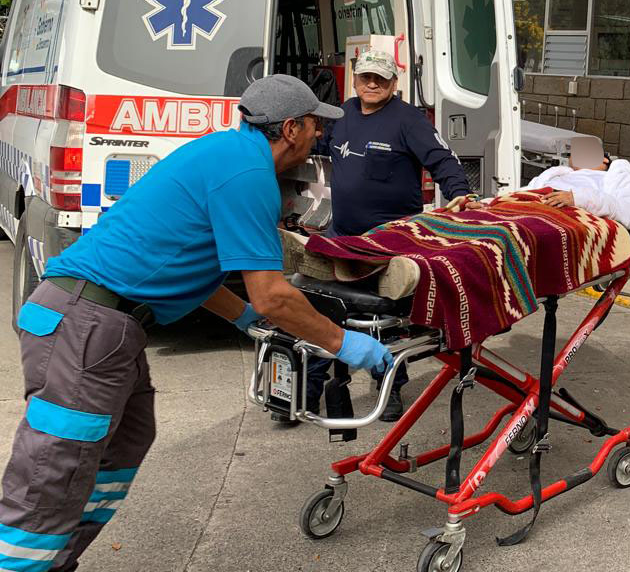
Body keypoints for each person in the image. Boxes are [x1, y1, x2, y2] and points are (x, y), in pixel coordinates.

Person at [0, 75, 392, 572]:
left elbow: (189, 264)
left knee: (125, 442)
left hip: (92, 324)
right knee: (52, 473)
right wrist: (345, 344)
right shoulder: (248, 173)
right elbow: (273, 295)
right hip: (86, 325)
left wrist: (243, 319)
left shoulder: (226, 154)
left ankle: (55, 561)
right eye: (316, 125)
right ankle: (22, 564)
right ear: (291, 128)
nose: (320, 135)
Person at [307, 49, 476, 422]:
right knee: (324, 308)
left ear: (394, 84)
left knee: (379, 319)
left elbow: (442, 158)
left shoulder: (408, 119)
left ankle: (389, 385)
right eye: (365, 76)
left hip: (390, 241)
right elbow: (310, 146)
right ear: (354, 78)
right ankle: (308, 388)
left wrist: (460, 191)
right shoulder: (342, 115)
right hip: (342, 235)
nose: (371, 83)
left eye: (380, 79)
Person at [527, 136, 630, 231]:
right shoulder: (557, 174)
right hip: (529, 207)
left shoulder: (614, 178)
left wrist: (578, 198)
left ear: (604, 160)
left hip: (560, 217)